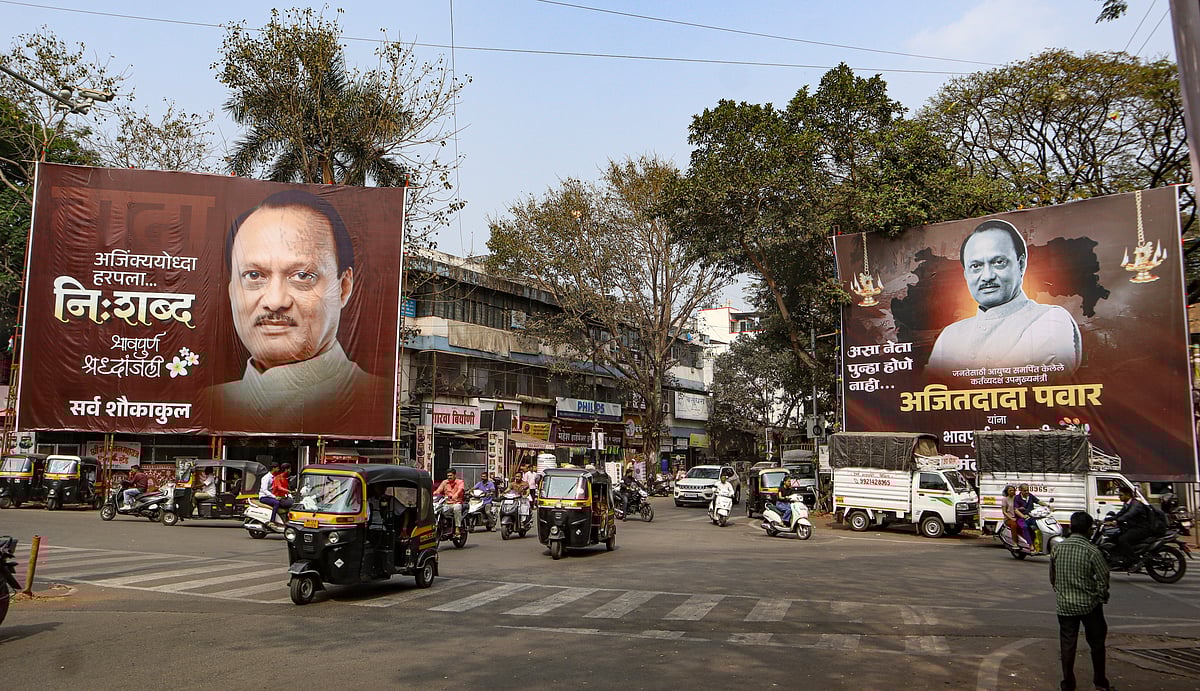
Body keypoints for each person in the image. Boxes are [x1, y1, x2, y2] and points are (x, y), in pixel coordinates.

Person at [205, 190, 391, 433]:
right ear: (232, 292)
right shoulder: (206, 405)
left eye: (302, 276)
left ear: (343, 287)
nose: (275, 301)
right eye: (254, 275)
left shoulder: (379, 401)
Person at [928, 219, 1082, 374]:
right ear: (966, 274)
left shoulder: (1049, 320)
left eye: (999, 262)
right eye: (976, 266)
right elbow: (932, 391)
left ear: (1021, 264)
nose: (987, 276)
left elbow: (1043, 388)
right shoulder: (949, 336)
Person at [1050, 511, 1112, 691]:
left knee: (1067, 645)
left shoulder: (1058, 548)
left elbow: (1052, 576)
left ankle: (1068, 684)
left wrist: (1060, 591)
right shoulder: (1092, 550)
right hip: (1089, 605)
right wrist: (1102, 596)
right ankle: (1100, 682)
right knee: (1097, 644)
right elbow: (1103, 577)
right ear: (1087, 530)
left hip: (1064, 606)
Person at [1108, 485, 1153, 567]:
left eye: (1121, 495)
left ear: (1128, 495)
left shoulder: (1136, 504)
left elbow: (1129, 515)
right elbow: (1120, 514)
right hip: (1132, 527)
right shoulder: (1127, 504)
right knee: (1114, 537)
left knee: (1123, 539)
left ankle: (1134, 561)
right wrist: (1107, 520)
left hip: (1142, 528)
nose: (1119, 497)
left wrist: (1116, 521)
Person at [434, 468, 466, 536]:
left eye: (450, 475)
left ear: (454, 475)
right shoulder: (444, 482)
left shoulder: (460, 482)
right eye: (448, 476)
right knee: (436, 509)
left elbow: (460, 490)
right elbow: (438, 490)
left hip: (456, 503)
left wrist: (456, 495)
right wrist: (433, 494)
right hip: (446, 504)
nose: (449, 477)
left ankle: (457, 527)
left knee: (457, 508)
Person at [1014, 483, 1042, 550]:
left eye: (1027, 490)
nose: (1026, 492)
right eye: (1025, 491)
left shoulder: (1030, 496)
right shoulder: (1017, 498)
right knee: (1025, 527)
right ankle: (1030, 544)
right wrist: (1023, 516)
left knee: (1040, 525)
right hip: (1022, 518)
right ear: (1020, 490)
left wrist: (1048, 506)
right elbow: (1016, 510)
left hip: (1032, 516)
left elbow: (1038, 501)